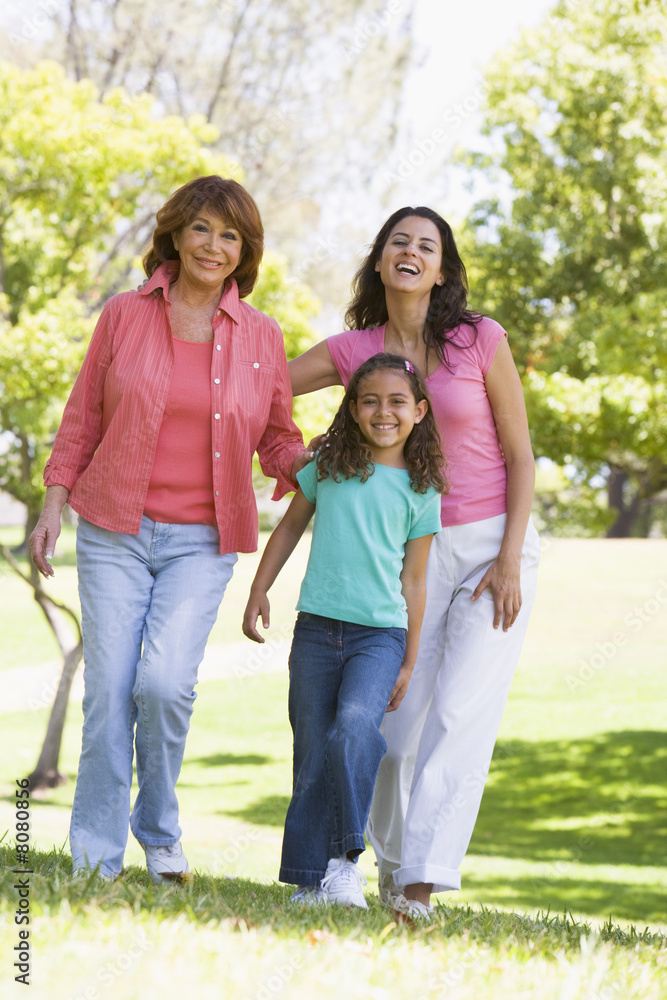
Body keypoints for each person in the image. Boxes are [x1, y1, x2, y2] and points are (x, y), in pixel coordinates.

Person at [29, 175, 307, 883]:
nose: (214, 246)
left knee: (163, 686)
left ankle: (158, 831)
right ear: (176, 235)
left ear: (244, 251)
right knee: (110, 691)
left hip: (201, 541)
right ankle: (96, 860)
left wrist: (312, 468)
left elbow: (277, 436)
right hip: (114, 529)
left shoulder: (261, 337)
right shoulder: (124, 315)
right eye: (202, 229)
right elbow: (83, 417)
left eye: (230, 235)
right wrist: (54, 501)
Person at [289, 206, 541, 919]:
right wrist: (292, 451)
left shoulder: (479, 340)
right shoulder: (352, 350)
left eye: (425, 246)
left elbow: (521, 455)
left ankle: (421, 885)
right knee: (392, 729)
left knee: (461, 714)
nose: (410, 251)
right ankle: (391, 870)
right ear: (379, 261)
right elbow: (262, 388)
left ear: (441, 271)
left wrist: (512, 557)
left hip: (492, 546)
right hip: (408, 557)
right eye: (398, 240)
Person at [242, 353, 446, 907]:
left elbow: (416, 580)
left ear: (420, 411)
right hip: (316, 630)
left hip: (378, 636)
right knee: (311, 746)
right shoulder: (328, 466)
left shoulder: (423, 491)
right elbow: (286, 531)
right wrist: (259, 589)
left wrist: (408, 658)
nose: (384, 412)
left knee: (355, 729)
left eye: (397, 401)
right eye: (371, 400)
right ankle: (310, 880)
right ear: (353, 408)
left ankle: (343, 861)